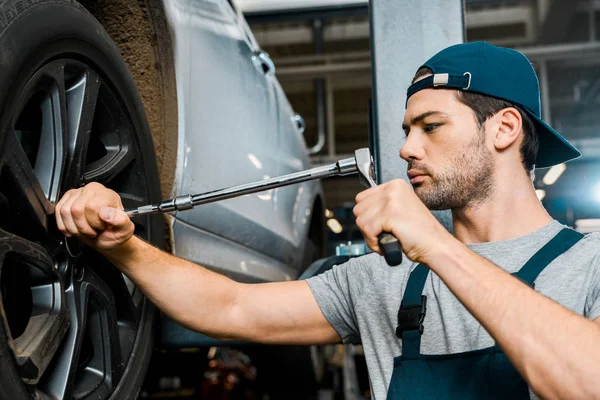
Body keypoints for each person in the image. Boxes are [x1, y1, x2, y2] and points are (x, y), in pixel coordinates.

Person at [55, 41, 600, 399]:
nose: (407, 148)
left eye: (430, 126)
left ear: (504, 128)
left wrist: (438, 247)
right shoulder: (381, 279)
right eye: (406, 129)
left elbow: (583, 380)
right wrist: (122, 245)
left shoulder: (590, 265)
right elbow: (231, 306)